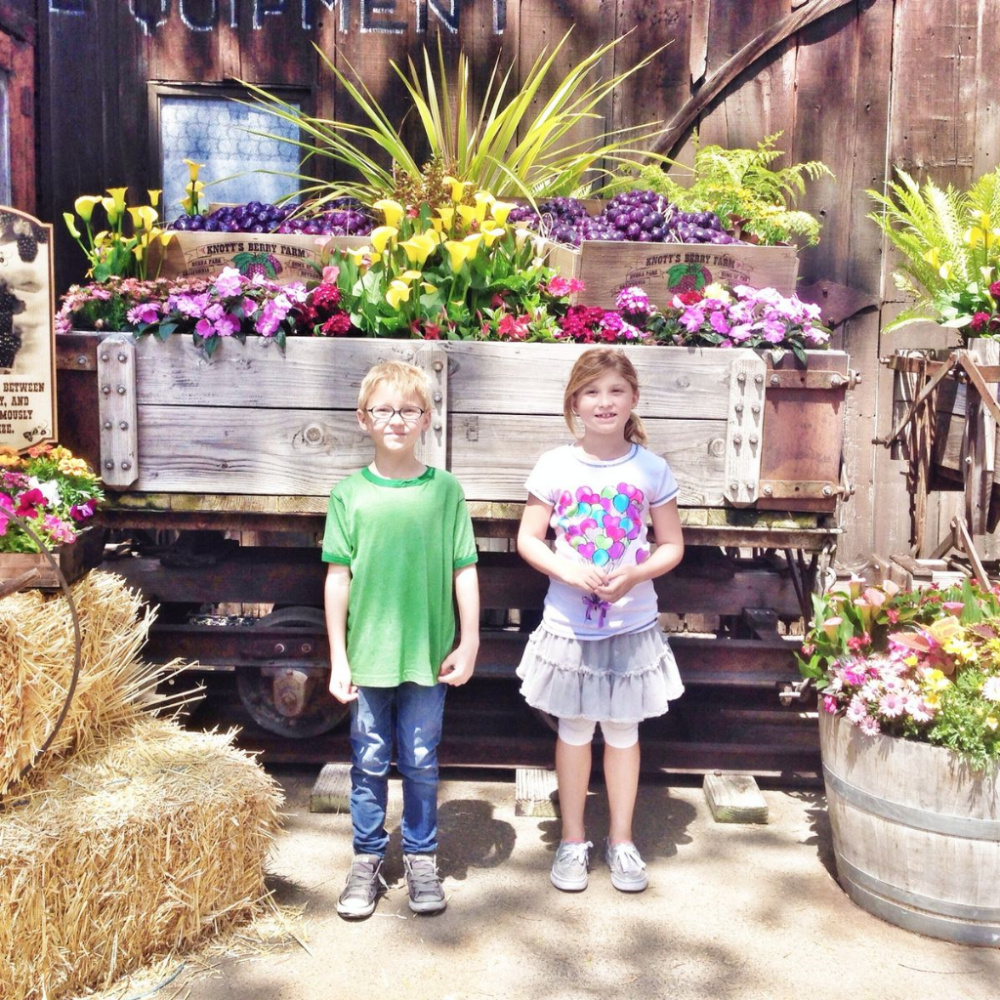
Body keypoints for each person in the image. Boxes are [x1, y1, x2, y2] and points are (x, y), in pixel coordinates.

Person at [516, 346, 685, 893]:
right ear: (575, 403)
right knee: (573, 728)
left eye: (616, 391)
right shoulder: (556, 465)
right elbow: (528, 538)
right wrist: (566, 570)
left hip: (631, 627)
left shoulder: (650, 468)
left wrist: (635, 576)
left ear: (633, 399)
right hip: (570, 627)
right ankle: (571, 840)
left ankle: (622, 840)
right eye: (592, 392)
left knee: (621, 730)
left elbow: (670, 546)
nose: (604, 402)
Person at [323, 359, 480, 920]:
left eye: (408, 410)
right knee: (367, 761)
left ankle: (420, 856)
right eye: (384, 410)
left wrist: (470, 640)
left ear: (427, 419)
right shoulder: (348, 495)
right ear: (364, 419)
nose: (396, 420)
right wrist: (339, 657)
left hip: (427, 655)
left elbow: (464, 568)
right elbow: (338, 576)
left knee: (419, 759)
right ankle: (366, 859)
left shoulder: (445, 492)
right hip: (368, 657)